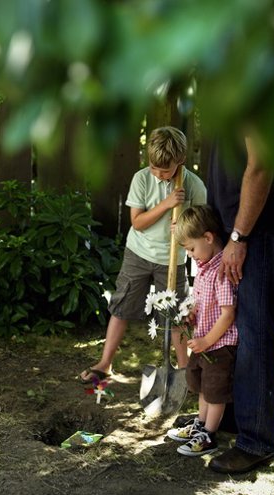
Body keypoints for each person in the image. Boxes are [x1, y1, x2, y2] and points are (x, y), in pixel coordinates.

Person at [205, 135, 274, 474]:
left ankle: (257, 440)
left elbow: (261, 164)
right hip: (240, 228)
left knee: (254, 331)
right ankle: (235, 415)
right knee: (234, 326)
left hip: (255, 230)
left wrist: (239, 236)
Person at [79, 126, 207, 383]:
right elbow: (137, 222)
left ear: (180, 161)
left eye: (165, 170)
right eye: (154, 166)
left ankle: (185, 373)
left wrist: (183, 227)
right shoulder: (142, 179)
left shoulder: (194, 186)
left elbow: (201, 226)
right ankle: (105, 363)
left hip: (172, 260)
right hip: (138, 253)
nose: (158, 173)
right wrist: (167, 204)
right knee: (122, 306)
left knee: (177, 316)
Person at [166, 205, 238, 456]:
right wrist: (191, 315)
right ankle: (201, 423)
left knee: (215, 391)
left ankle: (209, 435)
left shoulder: (221, 272)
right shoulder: (205, 267)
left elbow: (228, 313)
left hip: (219, 345)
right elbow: (204, 302)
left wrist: (207, 340)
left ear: (208, 238)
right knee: (204, 386)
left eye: (191, 248)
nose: (191, 254)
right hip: (204, 341)